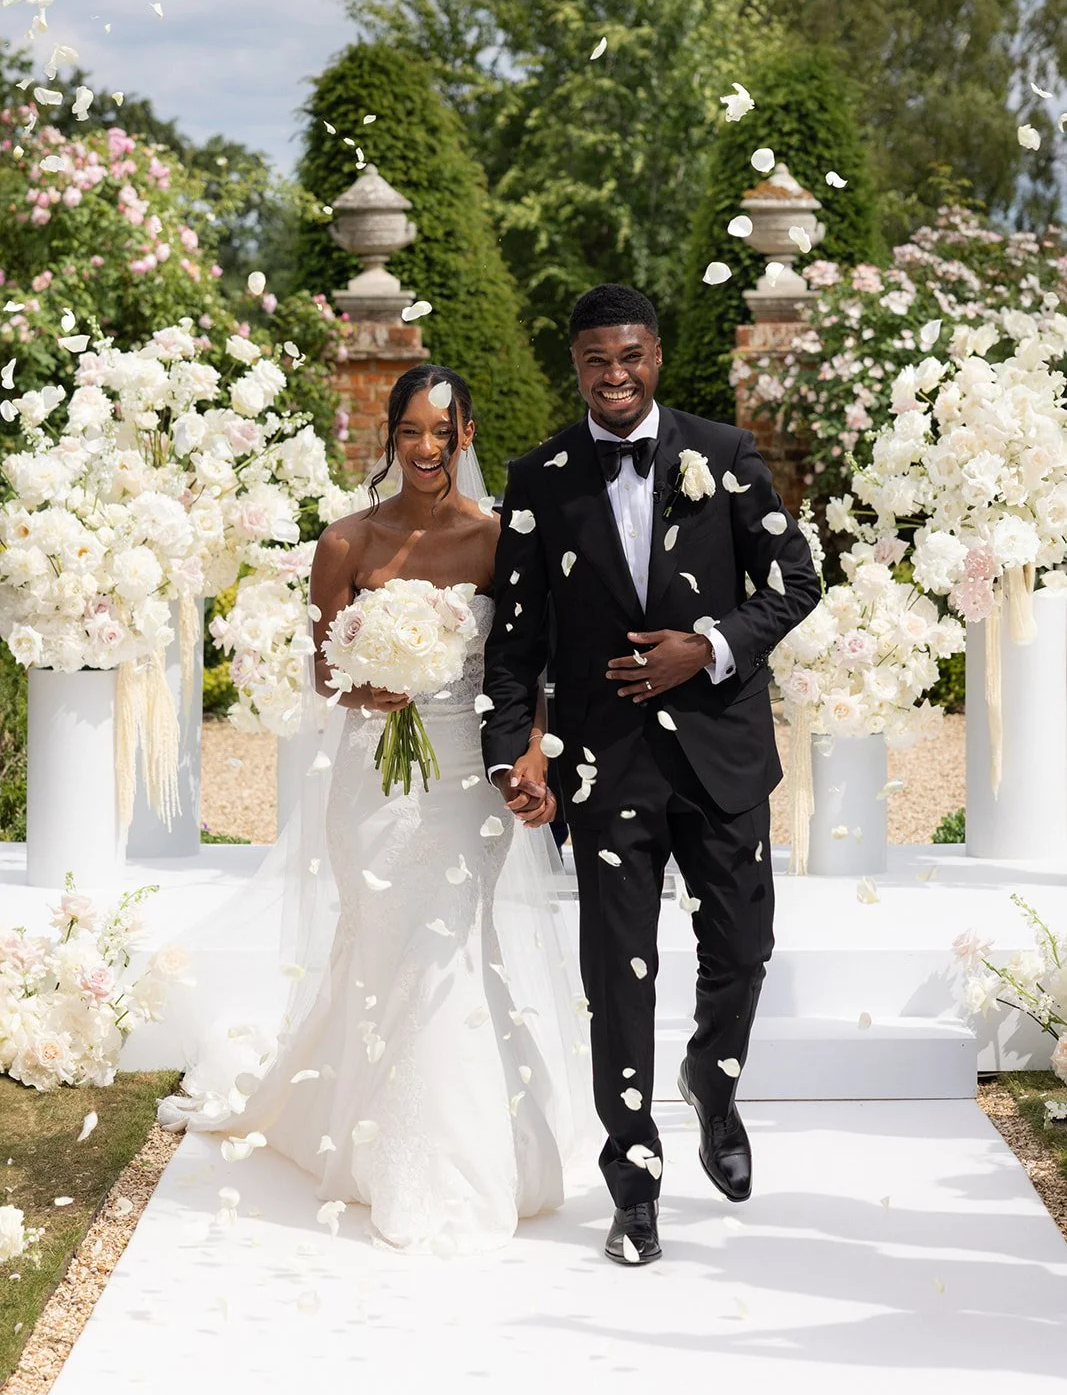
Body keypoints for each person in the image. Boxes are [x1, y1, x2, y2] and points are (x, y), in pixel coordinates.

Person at [157, 365, 593, 1256]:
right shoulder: (347, 541)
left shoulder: (499, 540)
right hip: (374, 782)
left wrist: (532, 753)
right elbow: (324, 668)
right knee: (382, 943)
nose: (426, 448)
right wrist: (365, 687)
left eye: (443, 431)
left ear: (466, 435)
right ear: (389, 437)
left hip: (467, 776)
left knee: (448, 948)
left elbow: (524, 668)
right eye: (410, 431)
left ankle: (453, 1163)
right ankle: (371, 1143)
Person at [481, 284, 820, 1267]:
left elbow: (792, 580)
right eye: (595, 361)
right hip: (602, 766)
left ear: (655, 355)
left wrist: (706, 645)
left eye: (629, 357)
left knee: (744, 950)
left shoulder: (723, 454)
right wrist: (515, 753)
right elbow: (513, 646)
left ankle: (711, 1081)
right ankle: (632, 1181)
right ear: (574, 366)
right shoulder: (538, 477)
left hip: (721, 755)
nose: (614, 375)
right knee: (615, 980)